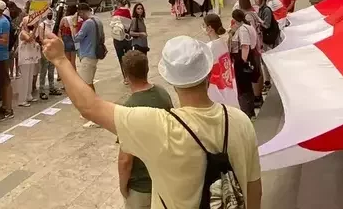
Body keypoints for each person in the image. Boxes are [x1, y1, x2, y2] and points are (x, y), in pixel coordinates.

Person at [42, 34, 262, 208]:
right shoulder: (240, 120)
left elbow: (90, 106)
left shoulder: (161, 128)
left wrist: (60, 59)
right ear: (208, 73)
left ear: (170, 78)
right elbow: (254, 192)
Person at [117, 50, 174, 208]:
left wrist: (123, 187)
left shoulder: (128, 109)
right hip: (164, 178)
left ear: (126, 76)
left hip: (141, 185)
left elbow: (125, 159)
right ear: (147, 69)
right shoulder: (163, 94)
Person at [202, 13, 239, 108]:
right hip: (227, 84)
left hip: (216, 88)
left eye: (204, 25)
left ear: (209, 28)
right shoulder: (222, 42)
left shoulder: (209, 47)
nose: (203, 28)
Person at [228, 9, 258, 119]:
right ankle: (250, 111)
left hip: (242, 60)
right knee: (247, 87)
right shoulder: (246, 27)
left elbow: (245, 46)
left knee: (243, 88)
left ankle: (247, 112)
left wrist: (242, 62)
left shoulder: (242, 30)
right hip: (247, 59)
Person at [74, 3, 104, 92]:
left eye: (79, 14)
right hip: (95, 54)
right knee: (89, 82)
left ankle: (94, 102)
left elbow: (76, 38)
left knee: (86, 84)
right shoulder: (98, 21)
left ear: (82, 12)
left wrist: (74, 25)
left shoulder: (87, 23)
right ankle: (93, 102)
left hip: (87, 55)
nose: (80, 17)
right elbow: (103, 37)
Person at [16, 11, 41, 107]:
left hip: (30, 58)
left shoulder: (29, 32)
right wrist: (35, 28)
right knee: (24, 79)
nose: (31, 25)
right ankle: (22, 100)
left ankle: (28, 95)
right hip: (24, 59)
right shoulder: (22, 33)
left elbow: (34, 39)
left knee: (30, 78)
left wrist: (35, 28)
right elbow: (29, 39)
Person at [36, 9, 61, 99]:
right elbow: (41, 38)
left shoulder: (54, 23)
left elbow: (58, 35)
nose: (50, 15)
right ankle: (42, 90)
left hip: (53, 50)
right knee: (44, 70)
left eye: (51, 13)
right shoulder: (42, 25)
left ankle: (52, 87)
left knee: (51, 69)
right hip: (46, 49)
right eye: (48, 14)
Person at [111, 0, 133, 84]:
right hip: (128, 38)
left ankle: (126, 77)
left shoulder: (116, 13)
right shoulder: (128, 12)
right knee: (129, 57)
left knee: (121, 58)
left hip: (118, 38)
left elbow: (112, 25)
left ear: (118, 3)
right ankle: (131, 76)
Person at [59, 4, 78, 71]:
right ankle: (75, 76)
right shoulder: (77, 18)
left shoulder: (65, 19)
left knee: (68, 61)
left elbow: (59, 28)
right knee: (73, 61)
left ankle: (69, 77)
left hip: (66, 39)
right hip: (75, 39)